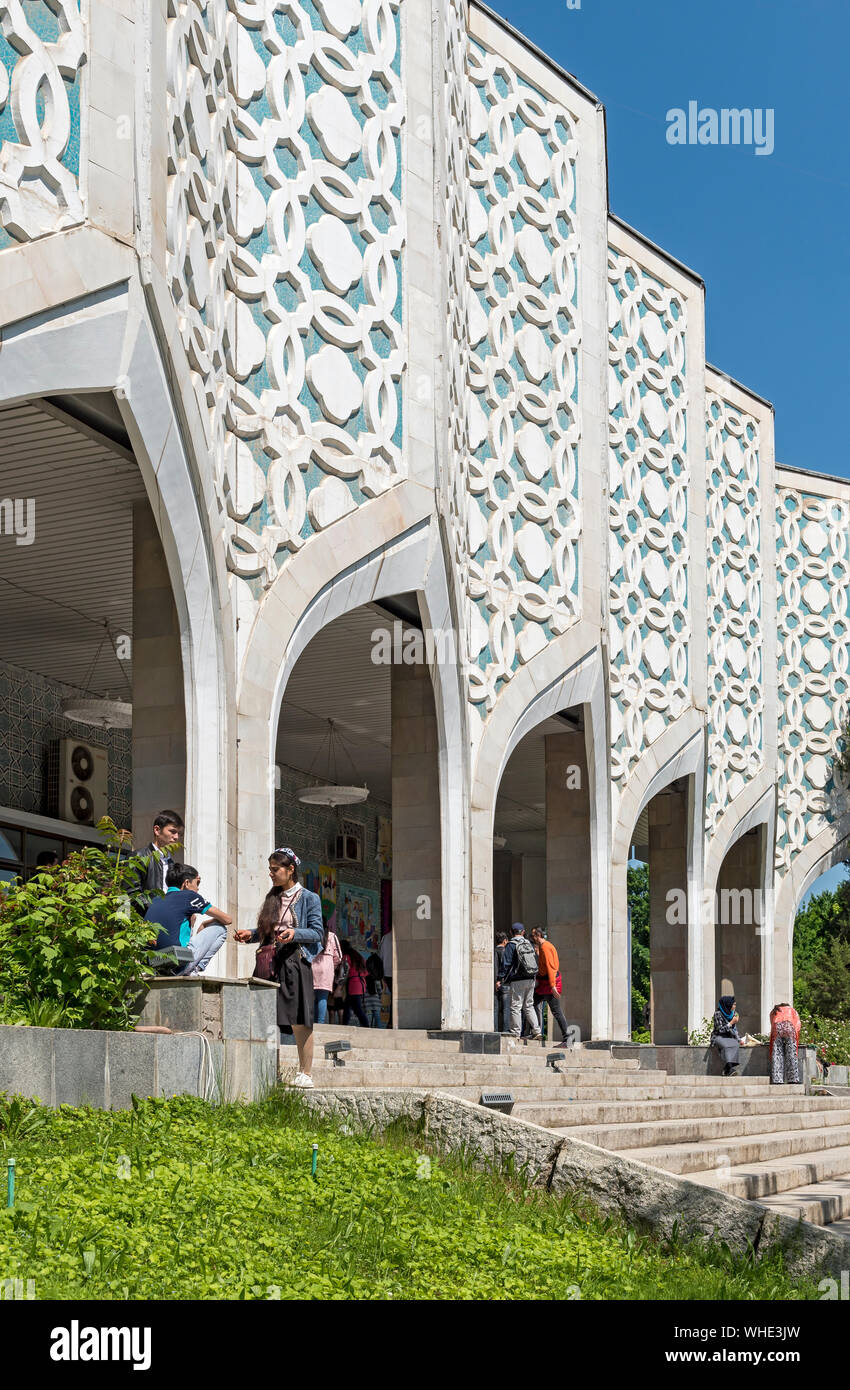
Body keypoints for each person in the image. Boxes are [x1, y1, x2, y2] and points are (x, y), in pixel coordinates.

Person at [234, 847, 323, 1088]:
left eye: (275, 870)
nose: (271, 874)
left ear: (290, 869)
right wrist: (250, 934)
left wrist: (294, 933)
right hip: (268, 962)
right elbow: (267, 932)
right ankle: (268, 1069)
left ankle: (306, 1072)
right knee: (267, 1016)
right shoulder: (272, 898)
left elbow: (317, 933)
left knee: (299, 1019)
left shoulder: (309, 898)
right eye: (270, 870)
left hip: (294, 961)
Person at [144, 863, 231, 975]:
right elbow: (228, 919)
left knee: (190, 920)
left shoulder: (155, 900)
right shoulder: (189, 896)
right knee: (220, 929)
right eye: (197, 883)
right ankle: (195, 970)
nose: (198, 888)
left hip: (153, 963)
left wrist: (200, 923)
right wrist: (209, 922)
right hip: (177, 964)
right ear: (186, 883)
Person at [134, 810, 184, 913]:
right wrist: (157, 910)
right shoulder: (139, 856)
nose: (176, 837)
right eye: (173, 831)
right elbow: (131, 895)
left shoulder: (172, 864)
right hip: (145, 923)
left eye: (179, 834)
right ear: (157, 830)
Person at [498, 923, 541, 1041]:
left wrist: (500, 978)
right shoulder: (529, 944)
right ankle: (537, 1031)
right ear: (522, 932)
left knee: (516, 1006)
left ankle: (516, 1033)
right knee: (529, 1005)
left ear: (512, 932)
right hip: (531, 978)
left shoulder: (511, 945)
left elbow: (505, 963)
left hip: (518, 980)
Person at [530, 928, 571, 1045]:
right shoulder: (547, 945)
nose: (532, 939)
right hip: (544, 984)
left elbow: (550, 967)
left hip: (548, 984)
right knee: (530, 1004)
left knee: (556, 1011)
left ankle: (567, 1038)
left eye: (533, 936)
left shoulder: (545, 947)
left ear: (538, 935)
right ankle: (534, 1031)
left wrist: (553, 986)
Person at [311, 918, 342, 1025]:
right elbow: (339, 957)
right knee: (323, 997)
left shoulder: (311, 934)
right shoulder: (332, 936)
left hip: (312, 967)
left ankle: (313, 1022)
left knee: (314, 997)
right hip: (326, 969)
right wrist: (331, 966)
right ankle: (320, 1022)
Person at [769, 1002, 801, 1085]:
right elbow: (798, 1024)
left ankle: (777, 1079)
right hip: (790, 1027)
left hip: (777, 1027)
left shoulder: (774, 1011)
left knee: (777, 1053)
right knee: (791, 1054)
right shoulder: (792, 1010)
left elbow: (772, 1023)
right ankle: (793, 1079)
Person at [711, 994, 740, 1076]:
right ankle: (729, 1069)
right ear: (728, 1005)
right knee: (727, 1046)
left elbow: (734, 1029)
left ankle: (727, 1068)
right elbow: (720, 1030)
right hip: (718, 1036)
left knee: (735, 1044)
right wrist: (731, 1023)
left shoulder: (733, 1014)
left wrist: (739, 1039)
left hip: (729, 1036)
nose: (734, 1006)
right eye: (733, 1004)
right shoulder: (718, 1014)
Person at [341, 940, 369, 1027]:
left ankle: (366, 1026)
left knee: (357, 1009)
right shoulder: (358, 956)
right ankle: (345, 1024)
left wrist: (339, 985)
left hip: (353, 985)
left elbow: (344, 973)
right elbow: (366, 971)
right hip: (361, 984)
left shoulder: (346, 957)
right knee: (347, 1006)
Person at [364, 952, 384, 1028]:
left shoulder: (365, 979)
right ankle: (379, 1030)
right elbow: (379, 991)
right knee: (377, 1018)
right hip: (376, 1002)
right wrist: (379, 997)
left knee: (368, 1019)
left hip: (367, 1002)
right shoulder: (376, 979)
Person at [494, 931, 508, 1032]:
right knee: (506, 1008)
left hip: (496, 983)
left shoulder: (494, 951)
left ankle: (495, 1029)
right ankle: (505, 1030)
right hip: (504, 982)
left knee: (496, 1008)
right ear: (504, 941)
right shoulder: (505, 952)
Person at [379, 928, 393, 1011]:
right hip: (395, 972)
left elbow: (381, 955)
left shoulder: (385, 937)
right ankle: (392, 1020)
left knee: (393, 996)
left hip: (387, 972)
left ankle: (391, 1021)